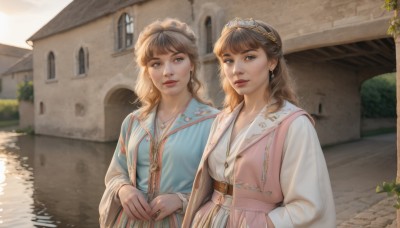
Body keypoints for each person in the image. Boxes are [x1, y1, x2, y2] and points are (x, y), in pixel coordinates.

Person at [182, 18, 336, 228]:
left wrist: (261, 223)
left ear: (272, 62)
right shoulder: (222, 119)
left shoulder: (294, 124)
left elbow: (309, 205)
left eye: (249, 57)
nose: (236, 69)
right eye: (228, 60)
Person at [99, 18, 219, 228]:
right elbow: (116, 173)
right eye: (156, 63)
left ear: (191, 64)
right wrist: (123, 190)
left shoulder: (215, 122)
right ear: (147, 71)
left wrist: (182, 200)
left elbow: (227, 191)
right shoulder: (134, 121)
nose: (167, 72)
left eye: (177, 59)